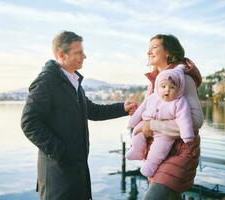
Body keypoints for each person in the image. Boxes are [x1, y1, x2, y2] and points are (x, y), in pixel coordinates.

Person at [20, 31, 137, 200]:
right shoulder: (46, 82)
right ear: (62, 55)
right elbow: (28, 123)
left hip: (77, 169)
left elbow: (92, 110)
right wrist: (61, 152)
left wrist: (122, 108)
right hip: (58, 173)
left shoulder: (73, 81)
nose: (85, 56)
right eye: (78, 53)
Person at [136, 34, 204, 200]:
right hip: (158, 152)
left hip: (180, 152)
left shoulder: (183, 79)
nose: (148, 51)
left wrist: (152, 125)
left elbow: (196, 120)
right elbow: (155, 114)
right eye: (149, 47)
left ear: (168, 52)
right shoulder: (155, 81)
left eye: (154, 47)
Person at [126, 66, 194, 178]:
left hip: (164, 131)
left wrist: (187, 135)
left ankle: (151, 164)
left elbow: (184, 119)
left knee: (160, 147)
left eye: (172, 87)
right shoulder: (152, 97)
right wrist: (132, 122)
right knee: (137, 133)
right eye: (163, 86)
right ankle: (136, 150)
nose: (167, 90)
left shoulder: (179, 102)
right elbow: (141, 109)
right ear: (158, 87)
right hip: (146, 122)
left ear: (179, 89)